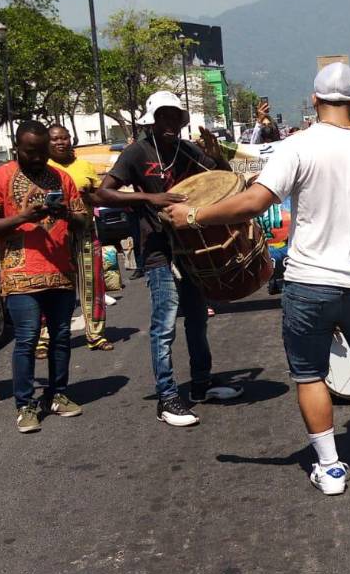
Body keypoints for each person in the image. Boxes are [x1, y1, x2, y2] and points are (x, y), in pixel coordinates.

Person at [162, 63, 350, 495]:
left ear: (316, 100)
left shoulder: (298, 147)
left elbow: (252, 203)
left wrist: (192, 215)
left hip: (309, 283)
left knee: (309, 374)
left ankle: (331, 468)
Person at [88, 91, 243, 427]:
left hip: (191, 247)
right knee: (165, 322)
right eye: (165, 117)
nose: (171, 123)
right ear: (153, 121)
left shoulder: (187, 150)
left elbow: (223, 180)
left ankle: (201, 384)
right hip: (158, 247)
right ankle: (167, 397)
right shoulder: (137, 152)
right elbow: (102, 192)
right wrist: (149, 196)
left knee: (198, 319)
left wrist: (217, 157)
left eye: (175, 117)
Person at [0, 121, 89, 434]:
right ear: (17, 148)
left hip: (59, 271)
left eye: (43, 152)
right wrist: (23, 217)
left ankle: (58, 394)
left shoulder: (62, 177)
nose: (39, 158)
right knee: (26, 339)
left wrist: (64, 212)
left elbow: (83, 219)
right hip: (19, 273)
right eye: (31, 152)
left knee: (61, 336)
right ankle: (25, 404)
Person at [46, 124, 111, 351]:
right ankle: (44, 338)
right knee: (51, 285)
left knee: (92, 281)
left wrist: (89, 196)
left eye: (64, 138)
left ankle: (96, 334)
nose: (60, 142)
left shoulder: (84, 166)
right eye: (55, 139)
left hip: (84, 230)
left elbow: (100, 195)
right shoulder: (42, 168)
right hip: (53, 235)